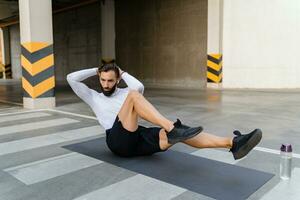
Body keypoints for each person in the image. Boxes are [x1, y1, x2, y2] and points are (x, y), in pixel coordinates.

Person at [67, 60, 262, 159]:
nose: (106, 84)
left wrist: (122, 72)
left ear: (117, 79)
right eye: (103, 80)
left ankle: (233, 143)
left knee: (181, 134)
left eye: (110, 80)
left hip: (137, 137)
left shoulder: (124, 91)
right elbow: (71, 78)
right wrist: (97, 69)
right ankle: (171, 126)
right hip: (117, 140)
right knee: (135, 98)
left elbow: (139, 87)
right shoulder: (94, 97)